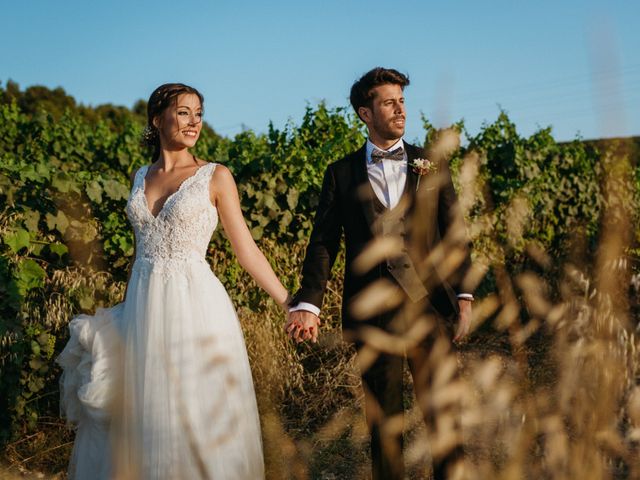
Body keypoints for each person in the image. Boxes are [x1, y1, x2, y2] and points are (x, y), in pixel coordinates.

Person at [56, 83, 290, 479]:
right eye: (183, 112)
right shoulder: (139, 176)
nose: (194, 121)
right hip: (144, 306)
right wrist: (127, 312)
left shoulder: (215, 176)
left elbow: (246, 250)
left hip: (195, 306)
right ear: (157, 119)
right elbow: (140, 252)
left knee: (193, 410)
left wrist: (290, 302)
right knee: (144, 412)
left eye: (198, 112)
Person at [287, 67, 474, 480]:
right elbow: (323, 244)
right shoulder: (341, 173)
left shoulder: (431, 163)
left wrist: (463, 297)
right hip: (372, 314)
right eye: (388, 102)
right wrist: (309, 304)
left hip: (432, 306)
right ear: (364, 113)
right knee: (385, 425)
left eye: (402, 101)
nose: (400, 109)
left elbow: (454, 234)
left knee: (443, 417)